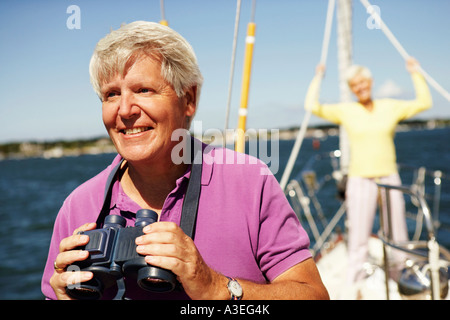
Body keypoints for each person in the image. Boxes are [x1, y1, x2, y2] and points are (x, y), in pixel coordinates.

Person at [41, 21, 329, 300]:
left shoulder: (250, 181)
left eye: (144, 90)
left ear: (188, 99)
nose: (125, 110)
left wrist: (216, 288)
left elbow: (314, 295)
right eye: (111, 94)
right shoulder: (78, 207)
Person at [304, 58, 432, 285]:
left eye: (363, 82)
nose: (360, 87)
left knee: (398, 233)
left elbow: (424, 102)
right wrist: (318, 77)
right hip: (360, 179)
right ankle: (353, 283)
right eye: (354, 85)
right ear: (351, 89)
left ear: (371, 82)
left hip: (389, 177)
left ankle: (400, 275)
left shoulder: (390, 106)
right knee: (359, 236)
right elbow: (312, 106)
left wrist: (415, 72)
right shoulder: (347, 111)